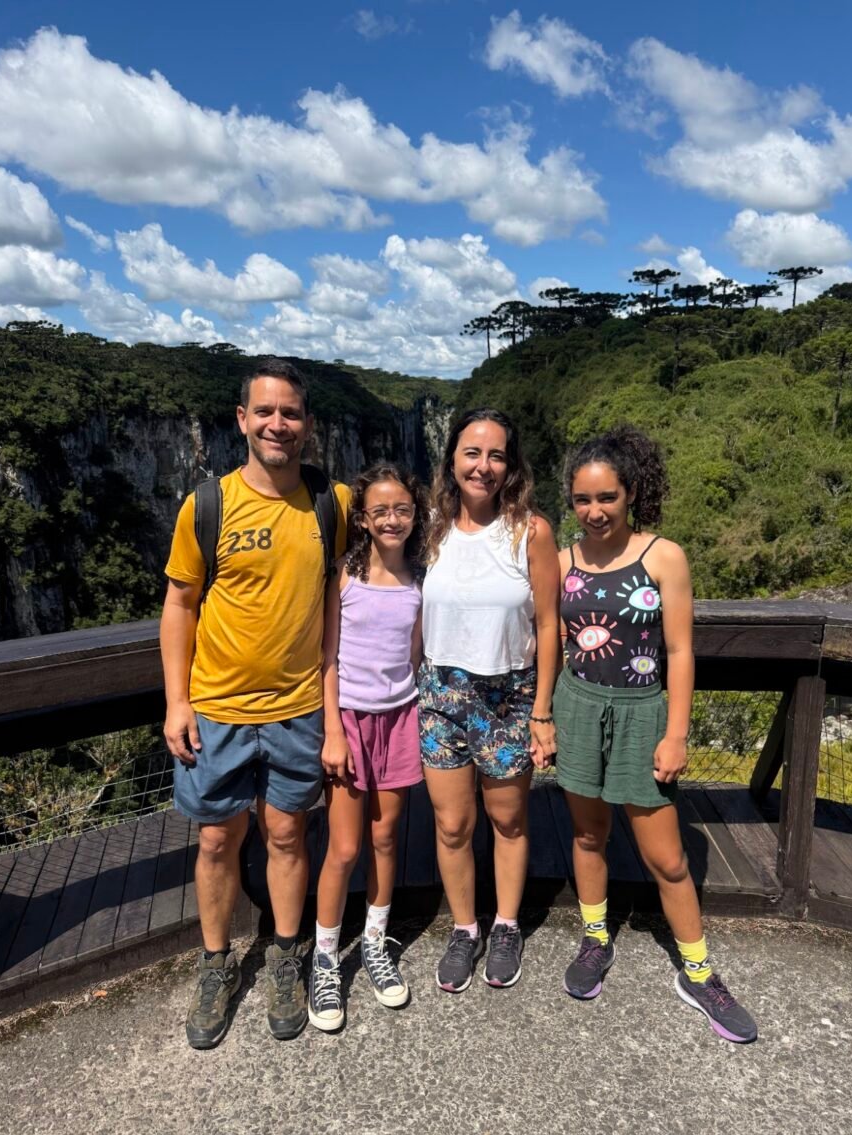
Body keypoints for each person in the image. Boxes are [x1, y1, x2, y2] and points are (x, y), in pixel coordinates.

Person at [160, 358, 350, 1049]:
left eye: (290, 413)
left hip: (298, 707)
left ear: (308, 424)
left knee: (288, 835)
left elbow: (343, 596)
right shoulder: (206, 505)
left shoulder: (333, 503)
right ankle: (216, 966)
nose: (278, 424)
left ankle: (285, 957)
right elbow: (180, 604)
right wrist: (177, 701)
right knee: (216, 839)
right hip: (217, 708)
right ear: (242, 420)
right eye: (264, 411)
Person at [554, 426, 757, 1042]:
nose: (594, 511)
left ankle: (698, 972)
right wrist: (546, 716)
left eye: (607, 497)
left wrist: (676, 734)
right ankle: (595, 937)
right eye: (583, 499)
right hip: (578, 707)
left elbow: (679, 651)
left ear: (632, 493)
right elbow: (557, 641)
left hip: (642, 711)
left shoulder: (663, 556)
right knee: (588, 835)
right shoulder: (563, 562)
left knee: (666, 858)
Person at [419, 408, 560, 993]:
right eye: (472, 453)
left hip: (508, 694)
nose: (483, 466)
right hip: (441, 693)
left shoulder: (531, 532)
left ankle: (505, 924)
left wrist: (542, 711)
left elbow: (549, 625)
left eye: (496, 455)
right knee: (452, 824)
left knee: (507, 819)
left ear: (511, 465)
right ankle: (463, 928)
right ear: (452, 458)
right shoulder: (431, 526)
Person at [310, 463, 428, 1031]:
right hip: (350, 721)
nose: (391, 520)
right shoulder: (344, 576)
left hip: (400, 718)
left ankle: (376, 944)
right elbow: (327, 659)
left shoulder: (420, 580)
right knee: (344, 846)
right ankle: (325, 958)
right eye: (379, 510)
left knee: (385, 838)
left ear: (415, 514)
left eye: (401, 509)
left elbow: (417, 654)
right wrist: (333, 731)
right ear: (361, 518)